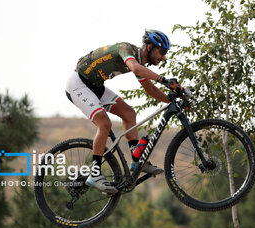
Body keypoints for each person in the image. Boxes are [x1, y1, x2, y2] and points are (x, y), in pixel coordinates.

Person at [65, 30, 182, 193]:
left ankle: (136, 160)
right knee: (104, 124)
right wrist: (165, 80)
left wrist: (174, 101)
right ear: (149, 47)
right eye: (162, 52)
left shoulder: (140, 64)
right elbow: (135, 69)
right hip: (79, 85)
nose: (163, 57)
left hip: (96, 87)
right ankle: (94, 173)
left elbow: (151, 90)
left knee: (129, 114)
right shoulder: (125, 49)